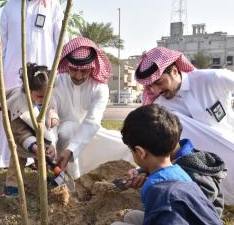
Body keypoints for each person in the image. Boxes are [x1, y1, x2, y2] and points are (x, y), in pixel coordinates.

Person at [135, 46, 234, 206]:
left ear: (174, 71)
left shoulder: (211, 79)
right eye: (151, 86)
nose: (156, 90)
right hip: (200, 165)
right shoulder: (161, 105)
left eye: (159, 83)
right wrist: (143, 168)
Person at [111, 104, 223, 225]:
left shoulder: (159, 191)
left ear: (140, 152)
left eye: (131, 150)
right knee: (131, 217)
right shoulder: (178, 171)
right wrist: (142, 172)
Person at [0, 0, 64, 170]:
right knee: (13, 113)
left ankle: (41, 156)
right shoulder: (10, 6)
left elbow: (61, 38)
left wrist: (60, 67)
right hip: (13, 70)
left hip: (42, 74)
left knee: (43, 112)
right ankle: (6, 158)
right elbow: (0, 39)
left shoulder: (52, 5)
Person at [54, 37, 132, 178]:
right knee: (67, 130)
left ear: (93, 67)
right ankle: (71, 181)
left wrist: (72, 149)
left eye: (84, 71)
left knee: (127, 145)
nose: (78, 76)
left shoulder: (99, 87)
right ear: (67, 65)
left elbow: (92, 122)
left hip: (89, 133)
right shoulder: (56, 82)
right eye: (73, 69)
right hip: (59, 136)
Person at [0, 63, 58, 196]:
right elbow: (19, 132)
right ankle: (12, 184)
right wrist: (32, 145)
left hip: (40, 134)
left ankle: (43, 178)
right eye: (39, 97)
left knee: (42, 159)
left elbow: (51, 109)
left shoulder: (46, 97)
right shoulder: (17, 105)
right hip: (21, 137)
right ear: (28, 90)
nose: (44, 101)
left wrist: (52, 118)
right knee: (18, 161)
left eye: (47, 97)